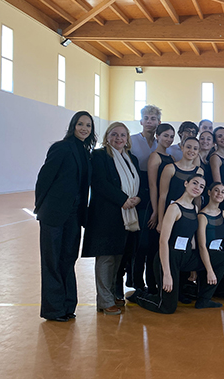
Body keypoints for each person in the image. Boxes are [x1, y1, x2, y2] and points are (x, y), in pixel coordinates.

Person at [128, 175, 224, 312]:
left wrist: (195, 268)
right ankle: (139, 295)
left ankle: (204, 298)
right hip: (170, 258)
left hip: (186, 256)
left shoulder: (194, 209)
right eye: (195, 183)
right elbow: (163, 241)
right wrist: (167, 274)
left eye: (201, 186)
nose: (197, 188)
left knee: (222, 258)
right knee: (167, 307)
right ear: (186, 184)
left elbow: (193, 240)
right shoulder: (174, 208)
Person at [35, 111, 96, 322]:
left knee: (68, 259)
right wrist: (40, 207)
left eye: (88, 125)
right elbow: (44, 179)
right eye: (80, 124)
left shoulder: (86, 152)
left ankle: (68, 306)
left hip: (74, 215)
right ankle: (53, 310)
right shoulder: (61, 147)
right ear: (73, 126)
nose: (84, 128)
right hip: (53, 214)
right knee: (52, 261)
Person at [82, 122, 142, 315]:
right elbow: (99, 182)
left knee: (118, 258)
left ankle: (110, 295)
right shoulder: (99, 156)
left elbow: (136, 182)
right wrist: (122, 200)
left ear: (127, 139)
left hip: (126, 215)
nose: (118, 138)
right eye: (114, 134)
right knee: (106, 258)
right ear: (107, 136)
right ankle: (105, 301)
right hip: (106, 215)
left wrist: (137, 198)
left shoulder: (130, 158)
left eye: (122, 135)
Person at [133, 123, 175, 294]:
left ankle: (153, 282)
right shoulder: (154, 157)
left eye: (171, 136)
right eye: (165, 135)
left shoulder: (170, 157)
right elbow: (153, 186)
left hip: (165, 207)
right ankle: (140, 284)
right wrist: (156, 212)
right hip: (153, 206)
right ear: (157, 136)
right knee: (146, 247)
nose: (168, 139)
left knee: (157, 248)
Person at [127, 105, 161, 291]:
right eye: (146, 118)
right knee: (139, 240)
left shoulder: (161, 144)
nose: (149, 122)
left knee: (153, 241)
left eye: (153, 118)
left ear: (159, 122)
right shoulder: (131, 141)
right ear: (141, 121)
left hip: (155, 194)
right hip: (137, 194)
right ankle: (135, 281)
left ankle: (152, 281)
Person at [197, 182, 224, 302]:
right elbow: (201, 246)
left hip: (220, 252)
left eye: (223, 192)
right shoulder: (202, 216)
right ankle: (205, 297)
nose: (219, 194)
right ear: (209, 192)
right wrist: (209, 270)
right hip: (206, 254)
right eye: (216, 190)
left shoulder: (223, 214)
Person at [158, 137, 203, 232]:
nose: (191, 151)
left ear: (198, 151)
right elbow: (162, 196)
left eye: (195, 148)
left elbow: (197, 198)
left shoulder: (199, 171)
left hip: (188, 214)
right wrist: (160, 221)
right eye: (188, 147)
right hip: (170, 212)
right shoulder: (170, 168)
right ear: (182, 148)